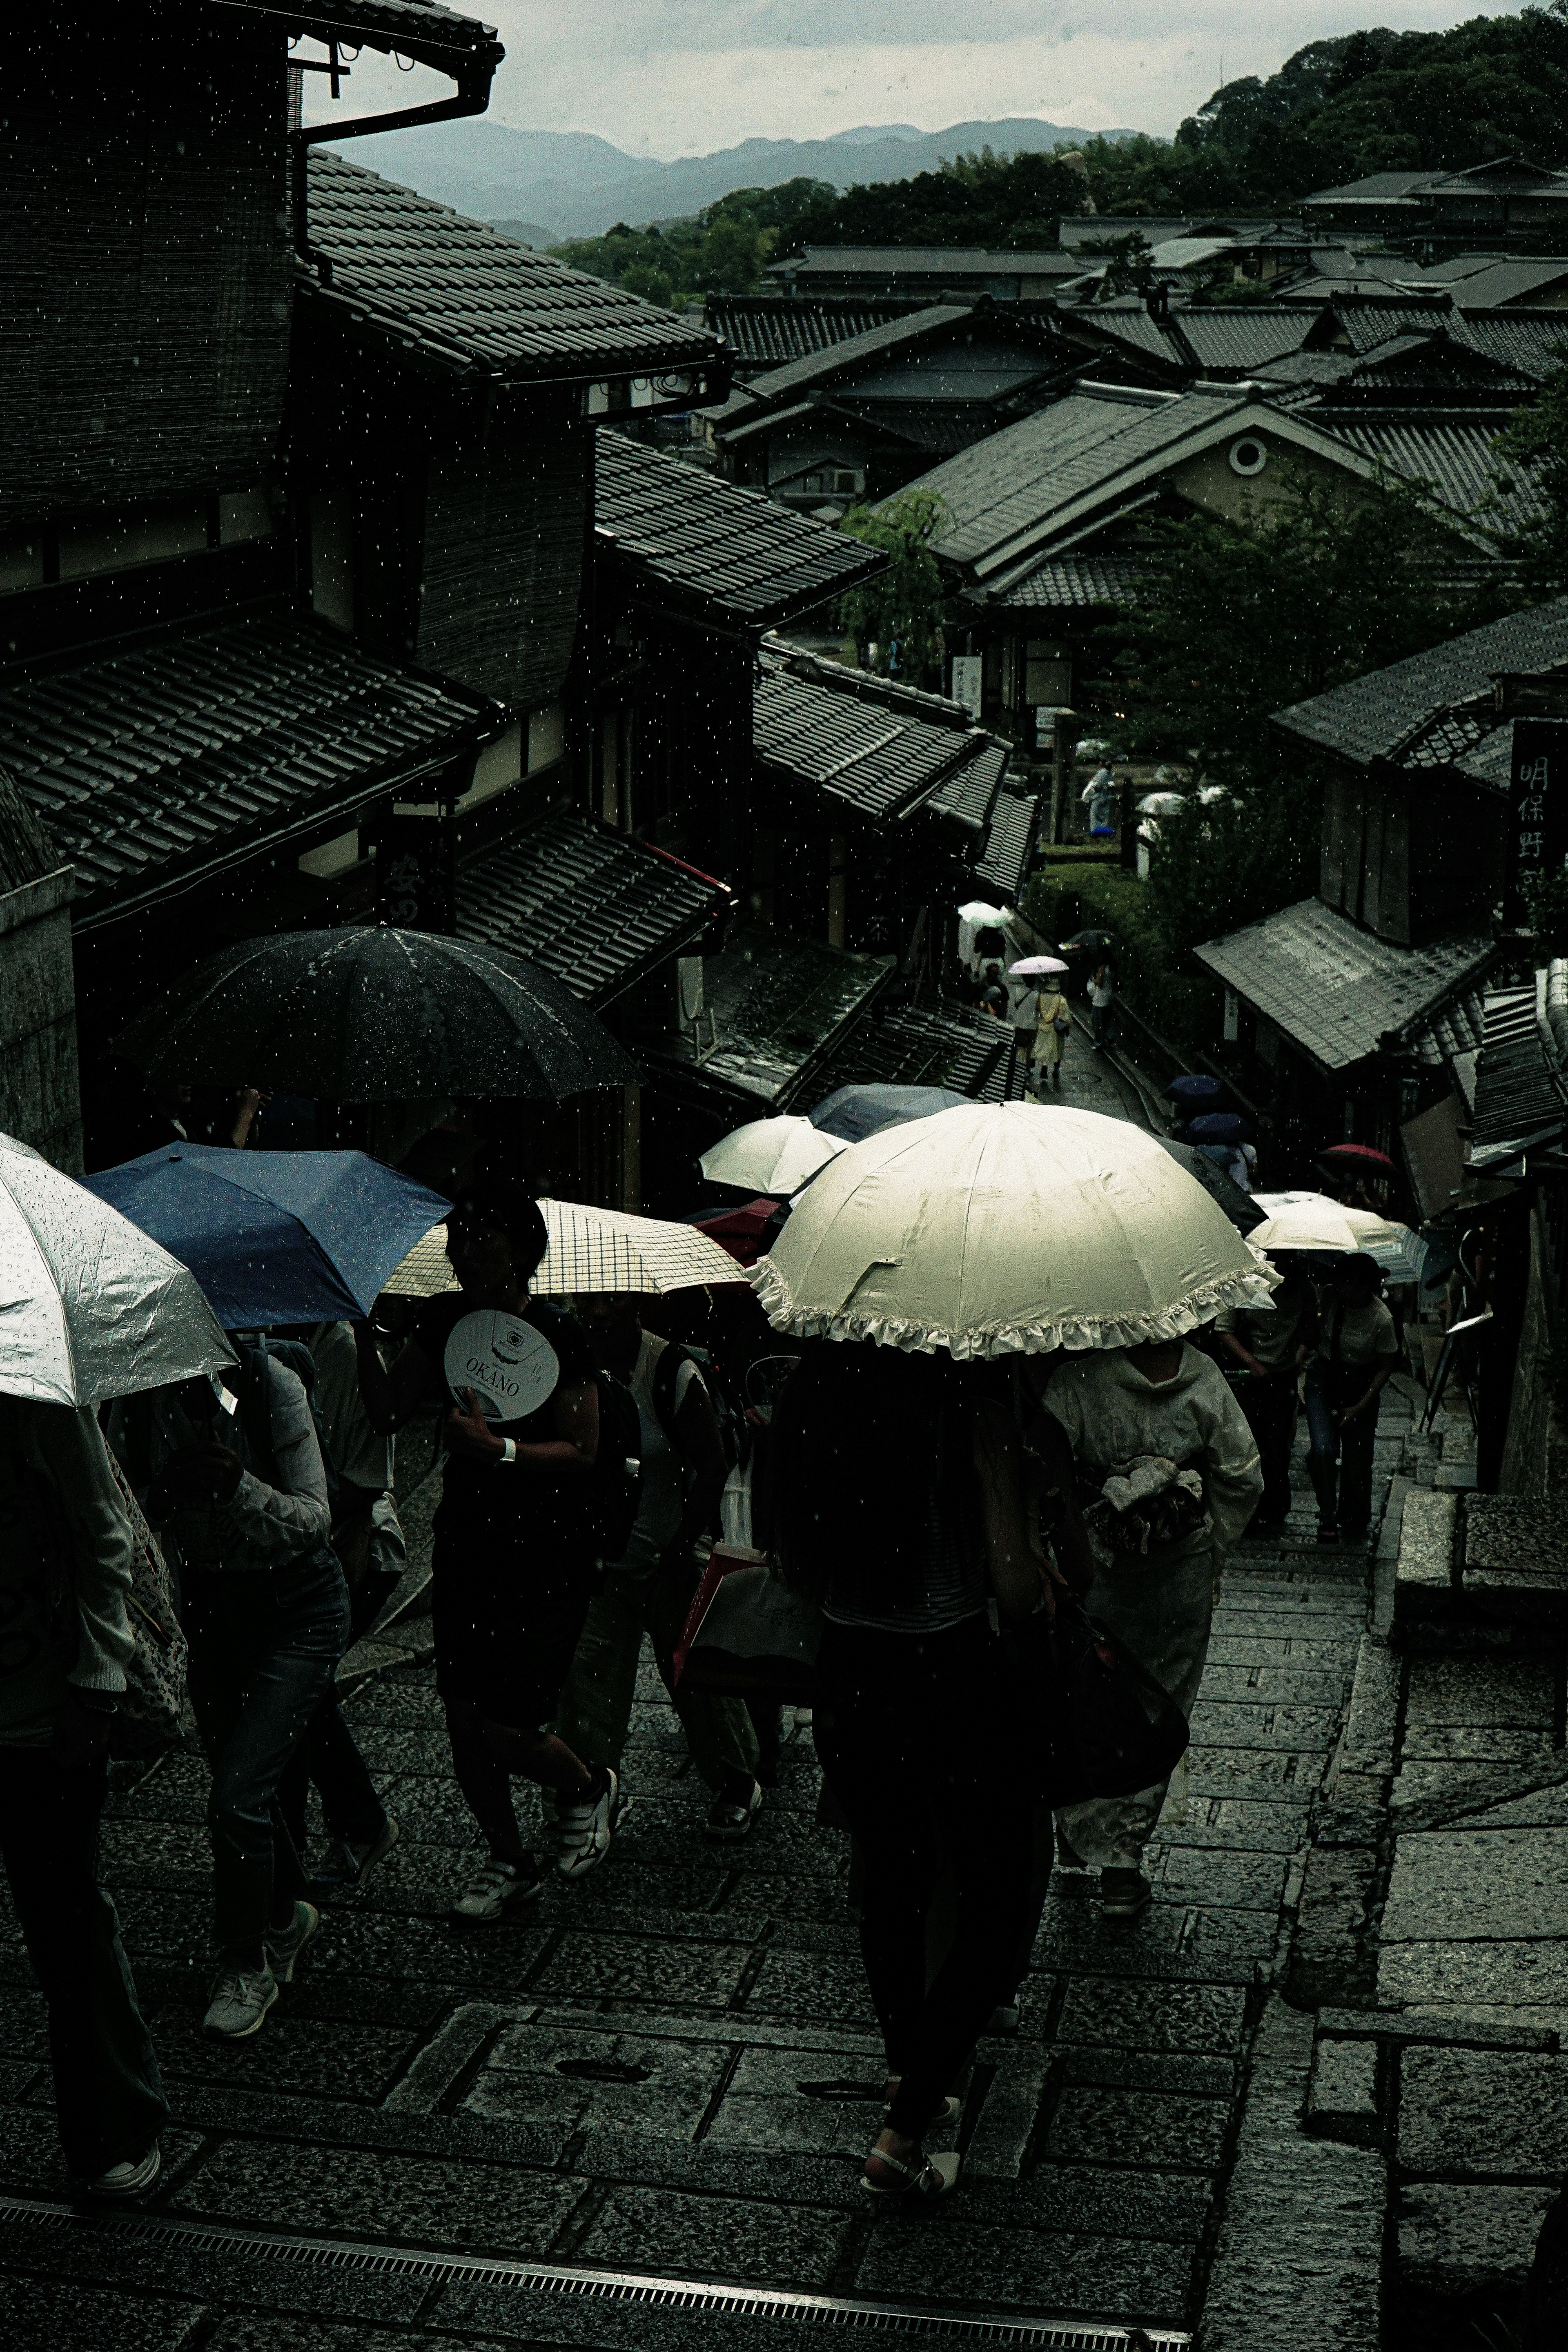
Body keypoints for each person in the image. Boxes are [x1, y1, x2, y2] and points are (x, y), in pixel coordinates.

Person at [773, 1343, 1051, 2202]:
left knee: (892, 1881)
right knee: (1007, 1885)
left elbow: (793, 1565)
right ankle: (906, 2124)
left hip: (852, 1676)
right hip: (952, 1675)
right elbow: (1011, 1587)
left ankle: (906, 2071)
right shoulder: (969, 1404)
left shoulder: (811, 1392)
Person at [354, 1177, 622, 1920]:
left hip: (545, 1552)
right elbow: (386, 1412)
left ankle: (587, 1785)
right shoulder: (444, 1323)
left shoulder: (559, 1336)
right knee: (463, 1716)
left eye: (482, 1237)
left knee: (510, 1723)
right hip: (467, 1542)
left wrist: (499, 1449)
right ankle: (508, 1858)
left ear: (523, 1252)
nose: (463, 1251)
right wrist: (354, 1330)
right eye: (456, 1237)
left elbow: (583, 1448)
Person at [113, 1349, 350, 2041]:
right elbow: (128, 1510)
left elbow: (314, 1518)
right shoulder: (136, 1397)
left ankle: (246, 1962)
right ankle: (283, 1917)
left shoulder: (271, 1384)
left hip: (297, 1606)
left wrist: (238, 1485)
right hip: (211, 1612)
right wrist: (164, 1494)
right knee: (244, 1787)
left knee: (237, 1797)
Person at [0, 1394, 169, 2196]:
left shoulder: (36, 1398)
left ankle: (114, 2123)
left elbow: (105, 1537)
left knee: (65, 1921)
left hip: (44, 1712)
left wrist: (98, 1681)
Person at [1042, 1335, 1263, 1916]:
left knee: (1089, 1698)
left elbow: (1045, 1471)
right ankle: (1122, 1868)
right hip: (1178, 1572)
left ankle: (1077, 1831)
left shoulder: (1076, 1380)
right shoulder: (1205, 1376)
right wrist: (1210, 1547)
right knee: (1154, 1708)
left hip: (1096, 1569)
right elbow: (1243, 1476)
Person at [555, 1294, 762, 1838]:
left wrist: (679, 1546)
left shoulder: (670, 1369)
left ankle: (738, 1781)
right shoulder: (571, 1368)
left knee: (694, 1677)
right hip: (604, 1558)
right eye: (587, 1302)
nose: (595, 1314)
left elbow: (713, 1465)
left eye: (608, 1302)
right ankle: (590, 1785)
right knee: (589, 1678)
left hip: (670, 1554)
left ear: (635, 1304)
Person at [274, 1321, 403, 1895]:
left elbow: (365, 1482)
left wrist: (282, 1510)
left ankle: (346, 1827)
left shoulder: (344, 1350)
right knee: (299, 1696)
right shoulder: (266, 1340)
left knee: (298, 1695)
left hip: (357, 1550)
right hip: (300, 1551)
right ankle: (328, 1832)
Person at [1216, 1260, 1319, 1535]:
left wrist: (1293, 1362)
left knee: (1277, 1445)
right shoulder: (1244, 1283)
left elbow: (1311, 1333)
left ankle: (1274, 1507)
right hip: (1248, 1378)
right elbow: (1225, 1330)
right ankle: (1248, 1510)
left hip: (1283, 1376)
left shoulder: (1302, 1289)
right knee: (1247, 1445)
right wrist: (1252, 1363)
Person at [1304, 1253, 1400, 1546]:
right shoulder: (1332, 1300)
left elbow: (1386, 1366)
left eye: (1350, 1283)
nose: (1343, 1288)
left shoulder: (1382, 1319)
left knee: (1357, 1463)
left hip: (1360, 1386)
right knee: (1322, 1450)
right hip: (1324, 1380)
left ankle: (1354, 1517)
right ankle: (1328, 1513)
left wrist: (1360, 1407)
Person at [1029, 983, 1071, 1096]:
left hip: (1043, 1026)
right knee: (1057, 1050)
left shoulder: (1041, 996)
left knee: (1044, 1049)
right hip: (1056, 1029)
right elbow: (1067, 1018)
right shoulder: (1061, 999)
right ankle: (1056, 1070)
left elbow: (1038, 1009)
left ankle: (1044, 1066)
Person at [1082, 764, 1116, 835]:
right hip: (1103, 799)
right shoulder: (1107, 773)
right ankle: (1100, 835)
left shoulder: (1104, 773)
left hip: (1100, 800)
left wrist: (1086, 798)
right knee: (1101, 819)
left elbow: (1094, 786)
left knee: (1097, 820)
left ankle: (1098, 835)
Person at [1088, 960, 1115, 1049]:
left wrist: (1093, 979)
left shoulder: (1102, 968)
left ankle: (1099, 1042)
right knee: (1107, 1019)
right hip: (1109, 996)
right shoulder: (1111, 966)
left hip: (1100, 999)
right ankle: (1110, 1036)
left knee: (1097, 1021)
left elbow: (1100, 983)